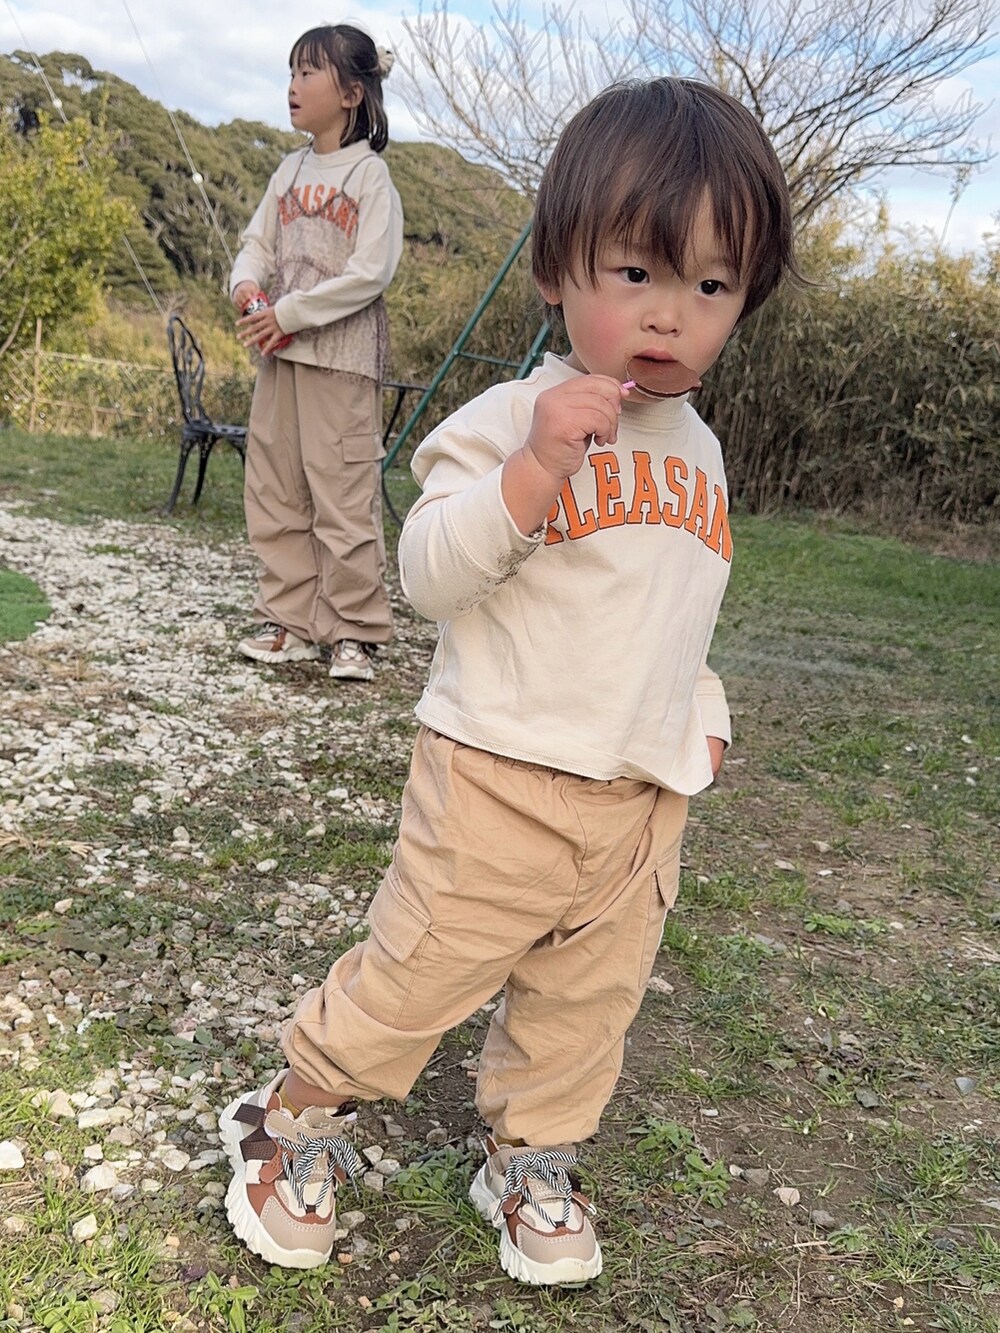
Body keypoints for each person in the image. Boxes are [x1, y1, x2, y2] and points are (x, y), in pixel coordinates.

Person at [219, 77, 796, 1284]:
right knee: (419, 969)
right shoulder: (510, 417)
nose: (670, 313)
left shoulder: (702, 454)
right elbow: (429, 570)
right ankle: (293, 1116)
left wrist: (702, 713)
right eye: (634, 272)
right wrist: (533, 472)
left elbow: (674, 610)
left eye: (711, 285)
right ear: (556, 269)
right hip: (496, 774)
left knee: (585, 1007)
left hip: (636, 806)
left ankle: (530, 1156)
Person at [230, 23, 403, 683]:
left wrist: (290, 313)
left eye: (309, 73)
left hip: (341, 356)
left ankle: (354, 630)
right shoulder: (288, 169)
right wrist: (247, 284)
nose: (294, 87)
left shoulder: (370, 175)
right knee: (276, 488)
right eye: (292, 72)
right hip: (280, 356)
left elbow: (370, 273)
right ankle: (292, 621)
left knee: (342, 489)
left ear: (353, 91)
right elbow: (258, 244)